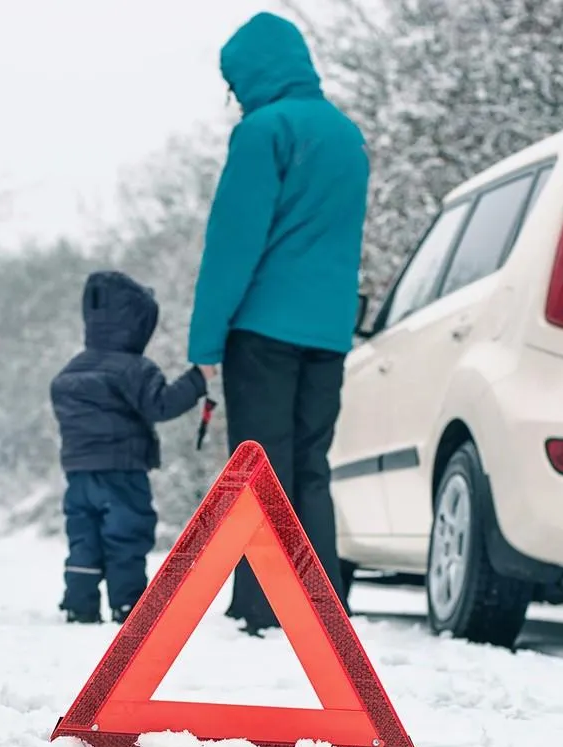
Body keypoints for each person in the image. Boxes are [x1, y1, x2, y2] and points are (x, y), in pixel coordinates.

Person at [186, 11, 370, 635]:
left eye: (234, 83)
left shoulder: (264, 131)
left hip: (264, 331)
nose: (234, 97)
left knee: (260, 468)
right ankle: (323, 609)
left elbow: (233, 243)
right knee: (310, 467)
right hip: (328, 334)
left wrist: (205, 340)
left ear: (254, 74)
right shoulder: (347, 136)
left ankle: (263, 607)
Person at [50, 270, 209, 624]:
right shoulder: (133, 368)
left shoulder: (69, 372)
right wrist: (198, 379)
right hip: (123, 471)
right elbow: (161, 405)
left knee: (83, 537)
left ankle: (80, 603)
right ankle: (129, 605)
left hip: (78, 474)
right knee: (127, 535)